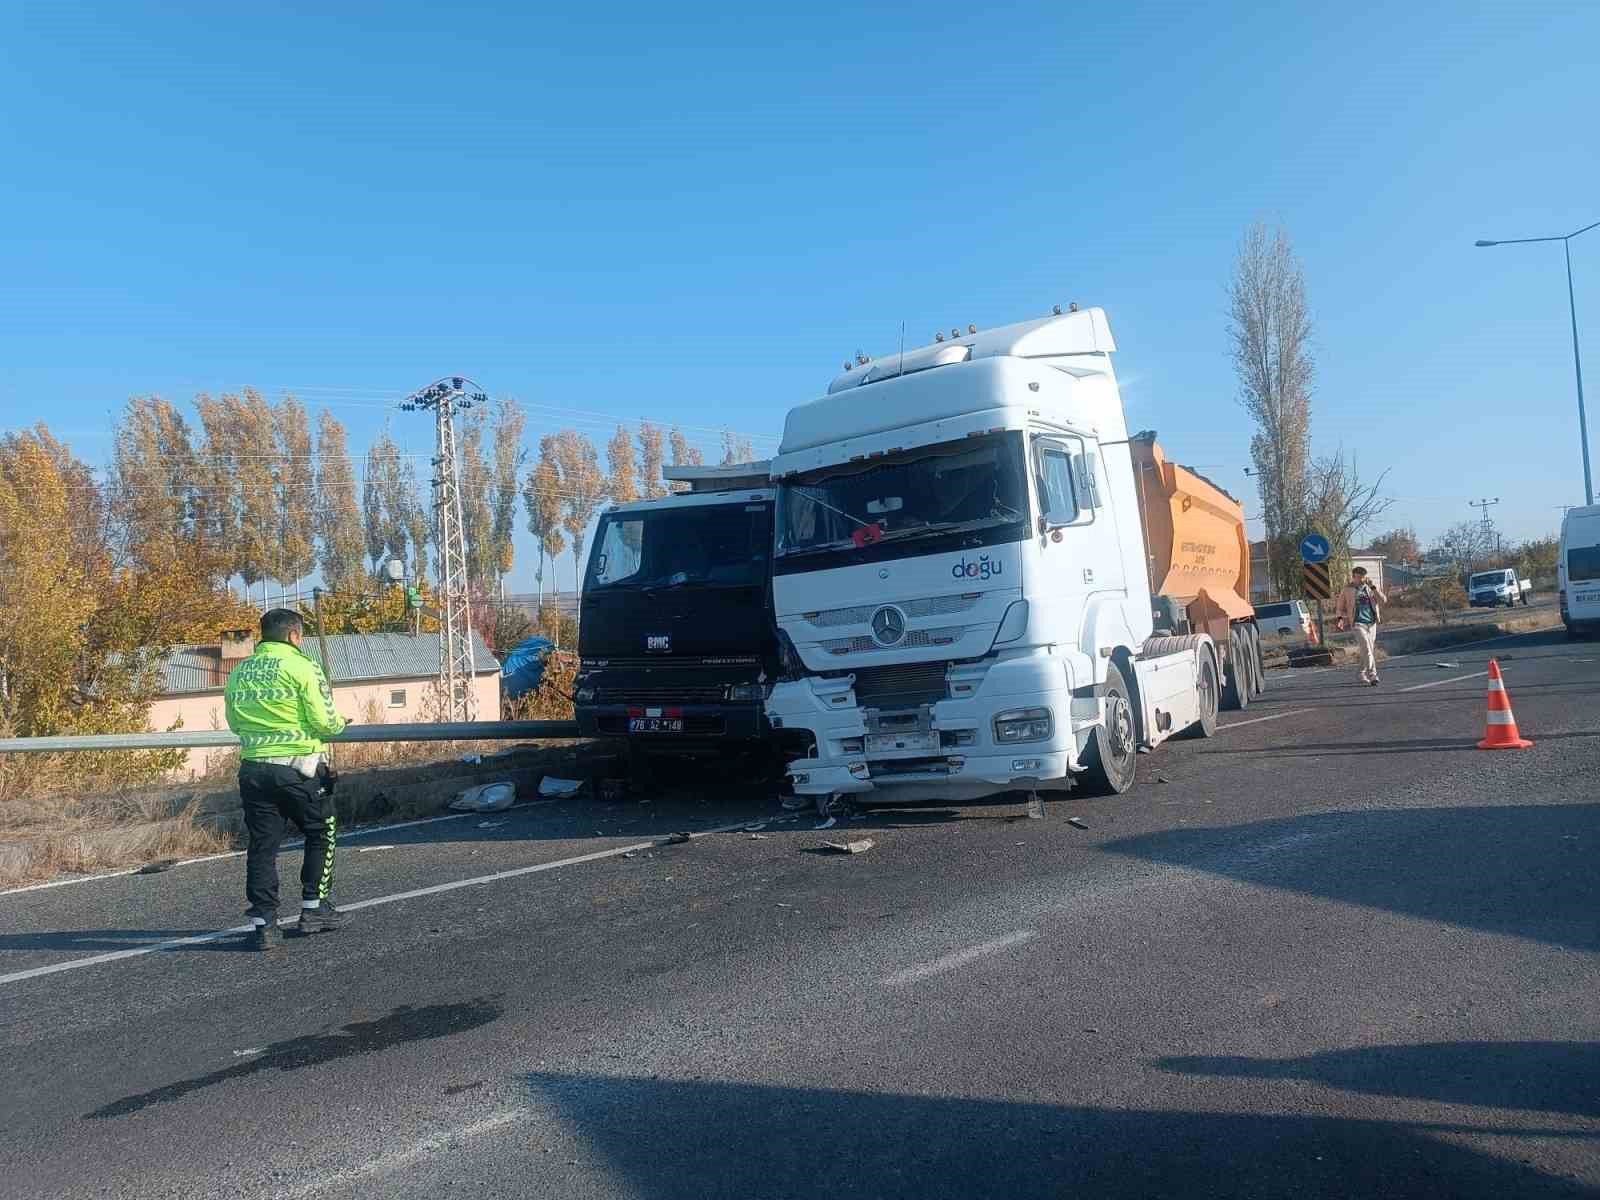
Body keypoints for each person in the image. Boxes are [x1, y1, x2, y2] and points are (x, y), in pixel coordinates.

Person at [224, 609, 348, 950]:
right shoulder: (303, 666)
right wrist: (341, 724)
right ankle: (314, 908)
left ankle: (264, 924)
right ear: (294, 636)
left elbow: (235, 723)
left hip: (253, 769)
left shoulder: (240, 671)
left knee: (263, 845)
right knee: (322, 831)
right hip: (299, 767)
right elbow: (325, 721)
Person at [1335, 566, 1388, 687]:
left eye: (1363, 577)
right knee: (1367, 649)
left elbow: (1383, 600)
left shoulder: (1370, 588)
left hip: (1372, 623)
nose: (1362, 580)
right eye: (1359, 577)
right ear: (1353, 577)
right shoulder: (1347, 590)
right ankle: (1373, 675)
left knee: (1367, 650)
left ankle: (1360, 673)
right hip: (1358, 623)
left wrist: (1374, 587)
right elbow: (1340, 607)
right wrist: (1340, 619)